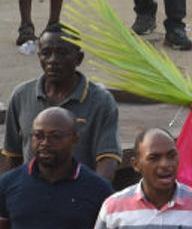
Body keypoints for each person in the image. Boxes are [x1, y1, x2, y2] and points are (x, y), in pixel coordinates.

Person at [1, 30, 121, 182]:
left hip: (78, 197)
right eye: (46, 53)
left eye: (62, 53)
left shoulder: (101, 101)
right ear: (39, 57)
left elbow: (108, 159)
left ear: (79, 58)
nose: (53, 60)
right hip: (31, 197)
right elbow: (13, 155)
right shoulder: (22, 96)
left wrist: (92, 197)